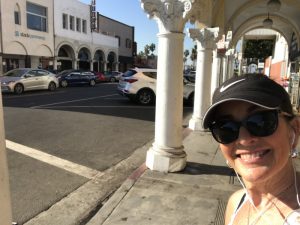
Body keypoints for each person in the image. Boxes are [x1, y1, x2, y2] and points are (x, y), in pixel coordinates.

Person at [202, 73, 300, 225]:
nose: (244, 139)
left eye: (260, 120)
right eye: (225, 127)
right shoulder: (236, 202)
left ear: (293, 130)